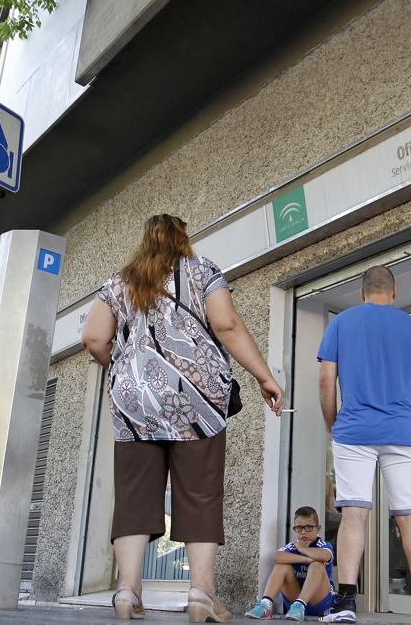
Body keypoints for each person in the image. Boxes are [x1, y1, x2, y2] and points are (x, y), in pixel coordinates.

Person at [81, 214, 284, 623]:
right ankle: (201, 592)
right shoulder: (201, 270)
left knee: (135, 494)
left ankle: (127, 590)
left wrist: (125, 371)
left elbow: (93, 338)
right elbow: (225, 325)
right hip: (197, 396)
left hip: (134, 399)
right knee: (200, 492)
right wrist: (264, 376)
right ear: (182, 239)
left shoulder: (119, 282)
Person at [317, 265, 411, 625]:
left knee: (354, 513)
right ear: (394, 292)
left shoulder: (340, 324)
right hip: (401, 432)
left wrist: (333, 424)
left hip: (354, 431)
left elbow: (326, 381)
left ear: (361, 293)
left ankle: (344, 603)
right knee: (409, 514)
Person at [245, 506, 335, 621]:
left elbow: (324, 556)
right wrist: (306, 559)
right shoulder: (292, 546)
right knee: (282, 565)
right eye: (299, 528)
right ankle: (265, 604)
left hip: (320, 602)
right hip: (294, 606)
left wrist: (303, 549)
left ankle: (301, 604)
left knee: (317, 564)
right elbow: (277, 557)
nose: (303, 532)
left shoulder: (323, 545)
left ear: (318, 529)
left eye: (309, 527)